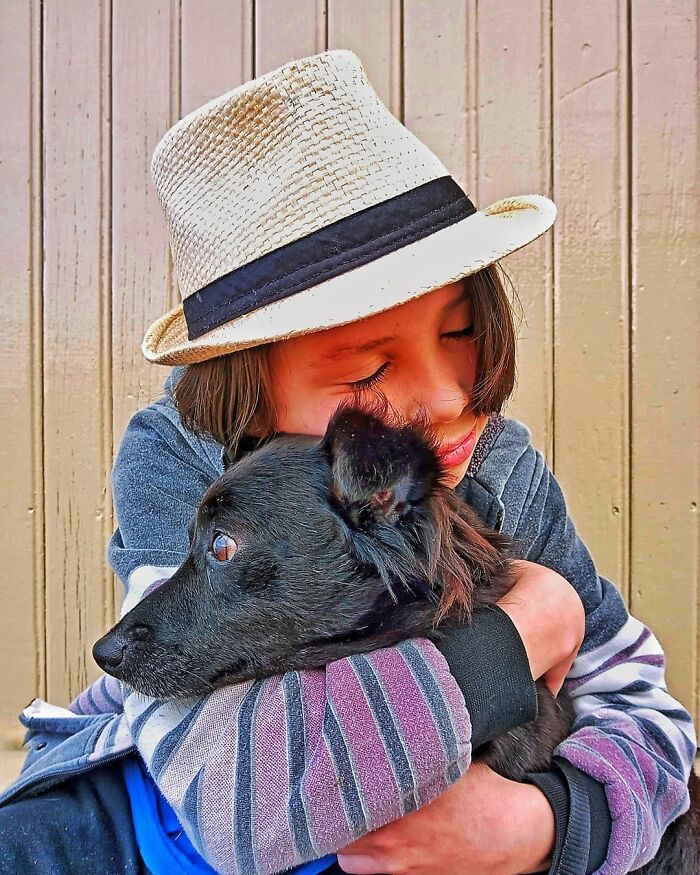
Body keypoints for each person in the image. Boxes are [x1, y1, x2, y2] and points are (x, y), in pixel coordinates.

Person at [0, 49, 695, 875]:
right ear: (252, 393)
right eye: (367, 370)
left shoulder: (499, 465)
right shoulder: (176, 457)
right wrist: (522, 632)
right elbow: (242, 793)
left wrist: (542, 823)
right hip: (146, 807)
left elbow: (642, 709)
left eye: (461, 329)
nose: (444, 396)